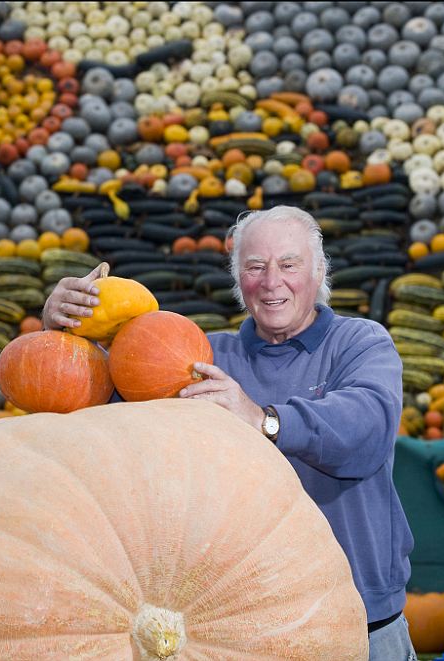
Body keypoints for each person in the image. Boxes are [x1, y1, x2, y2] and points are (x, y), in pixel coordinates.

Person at [43, 205, 416, 660]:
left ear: (319, 273)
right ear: (239, 280)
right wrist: (64, 338)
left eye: (289, 264)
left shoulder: (360, 343)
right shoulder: (201, 357)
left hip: (360, 618)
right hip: (237, 624)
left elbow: (366, 429)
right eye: (255, 267)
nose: (271, 280)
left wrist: (263, 419)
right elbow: (111, 421)